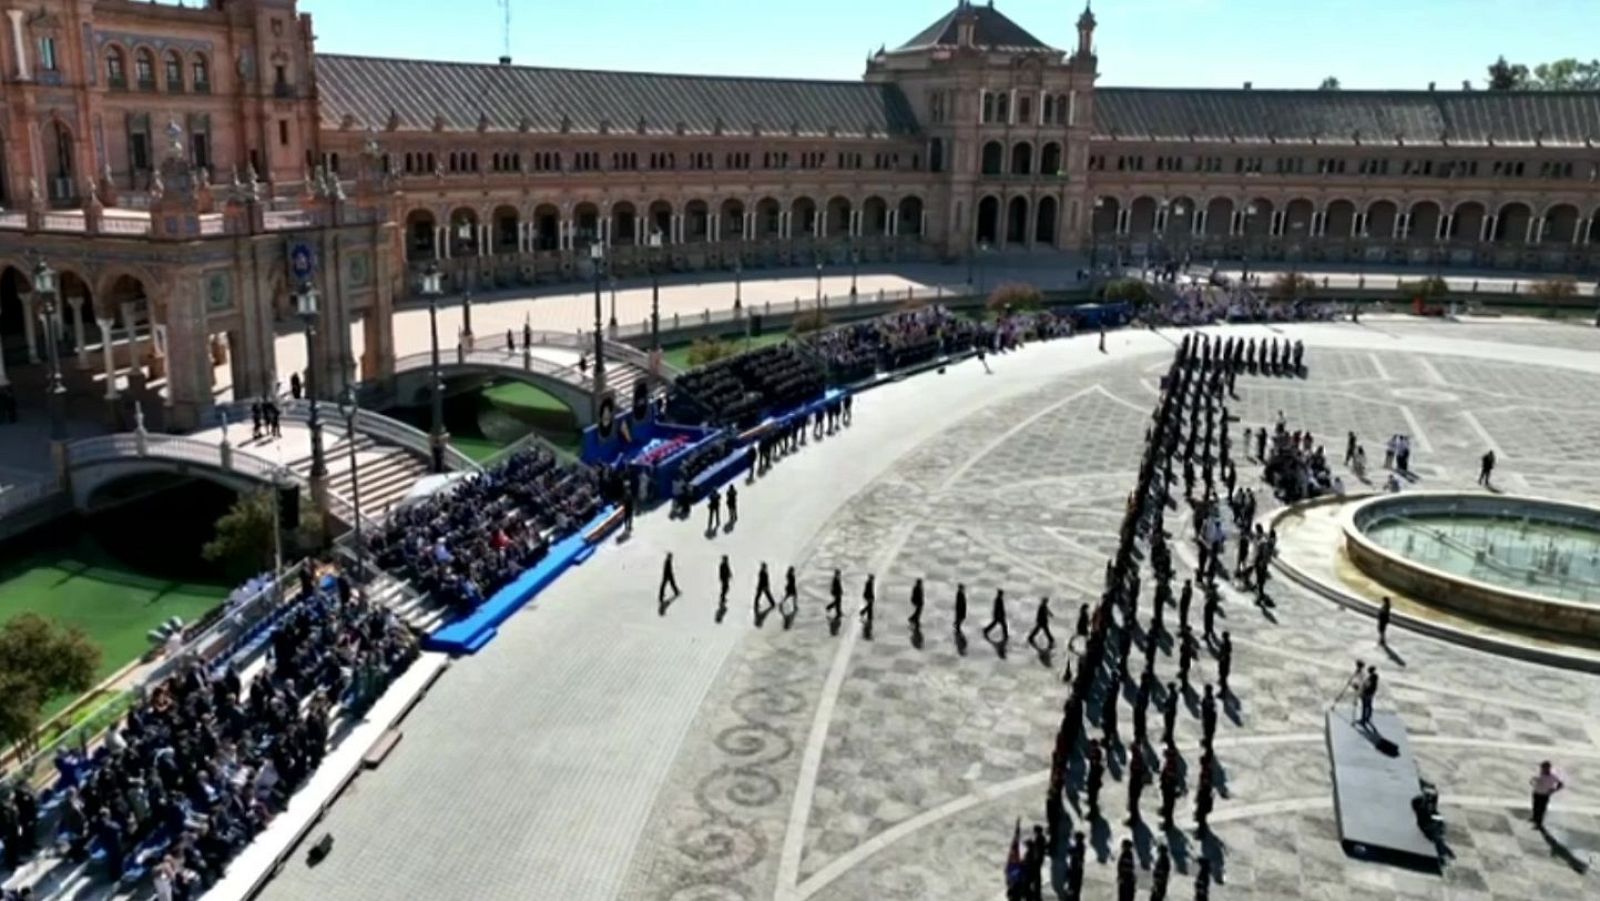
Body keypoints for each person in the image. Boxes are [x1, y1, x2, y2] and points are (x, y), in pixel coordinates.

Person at [1530, 760, 1565, 828]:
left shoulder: (1552, 777)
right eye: (1542, 767)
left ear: (1548, 768)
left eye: (1543, 767)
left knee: (1541, 809)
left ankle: (1539, 823)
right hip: (1536, 793)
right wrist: (1532, 782)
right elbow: (1532, 780)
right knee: (1535, 807)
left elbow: (1560, 784)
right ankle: (1534, 818)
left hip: (1544, 795)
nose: (1542, 769)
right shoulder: (1539, 774)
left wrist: (1554, 790)